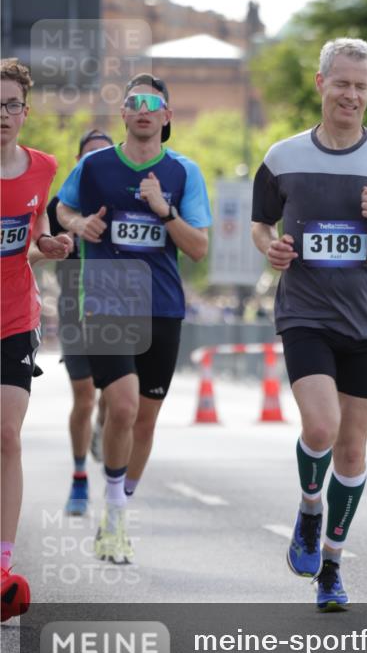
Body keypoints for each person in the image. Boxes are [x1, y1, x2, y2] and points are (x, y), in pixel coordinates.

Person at [251, 38, 367, 611]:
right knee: (322, 426)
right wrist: (272, 249)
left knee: (352, 453)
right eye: (342, 83)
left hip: (365, 321)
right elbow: (261, 224)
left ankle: (331, 565)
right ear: (321, 84)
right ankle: (311, 506)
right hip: (305, 313)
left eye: (361, 86)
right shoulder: (282, 157)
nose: (351, 95)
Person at [56, 74, 211, 564]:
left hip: (162, 305)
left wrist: (164, 211)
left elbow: (199, 248)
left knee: (144, 421)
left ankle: (119, 507)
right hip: (108, 294)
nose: (143, 110)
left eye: (153, 103)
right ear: (123, 113)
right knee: (120, 407)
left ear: (166, 117)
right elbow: (62, 208)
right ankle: (113, 512)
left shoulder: (184, 173)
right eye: (133, 102)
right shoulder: (95, 165)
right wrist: (80, 225)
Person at [1, 59, 73, 622]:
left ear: (25, 112)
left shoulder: (43, 167)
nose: (3, 115)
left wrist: (50, 246)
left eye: (10, 105)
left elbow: (35, 235)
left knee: (8, 435)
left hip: (14, 317)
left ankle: (1, 566)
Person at [46, 129, 113, 516]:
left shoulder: (124, 199)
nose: (96, 164)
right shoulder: (62, 203)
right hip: (76, 307)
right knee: (84, 395)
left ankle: (105, 426)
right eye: (89, 157)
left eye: (104, 156)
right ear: (78, 163)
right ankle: (79, 477)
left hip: (121, 309)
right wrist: (70, 232)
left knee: (114, 399)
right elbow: (46, 248)